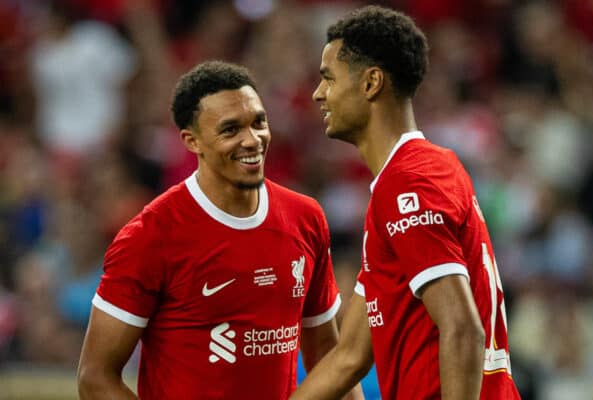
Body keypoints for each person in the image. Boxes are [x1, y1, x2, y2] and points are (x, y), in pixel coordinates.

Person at [77, 61, 363, 400]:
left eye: (259, 122)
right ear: (192, 141)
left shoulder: (306, 217)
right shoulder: (151, 235)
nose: (252, 139)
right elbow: (95, 378)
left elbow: (327, 358)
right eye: (230, 130)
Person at [291, 5, 521, 400]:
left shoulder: (409, 182)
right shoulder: (410, 177)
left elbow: (462, 327)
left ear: (371, 83)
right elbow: (349, 356)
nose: (318, 93)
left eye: (328, 78)